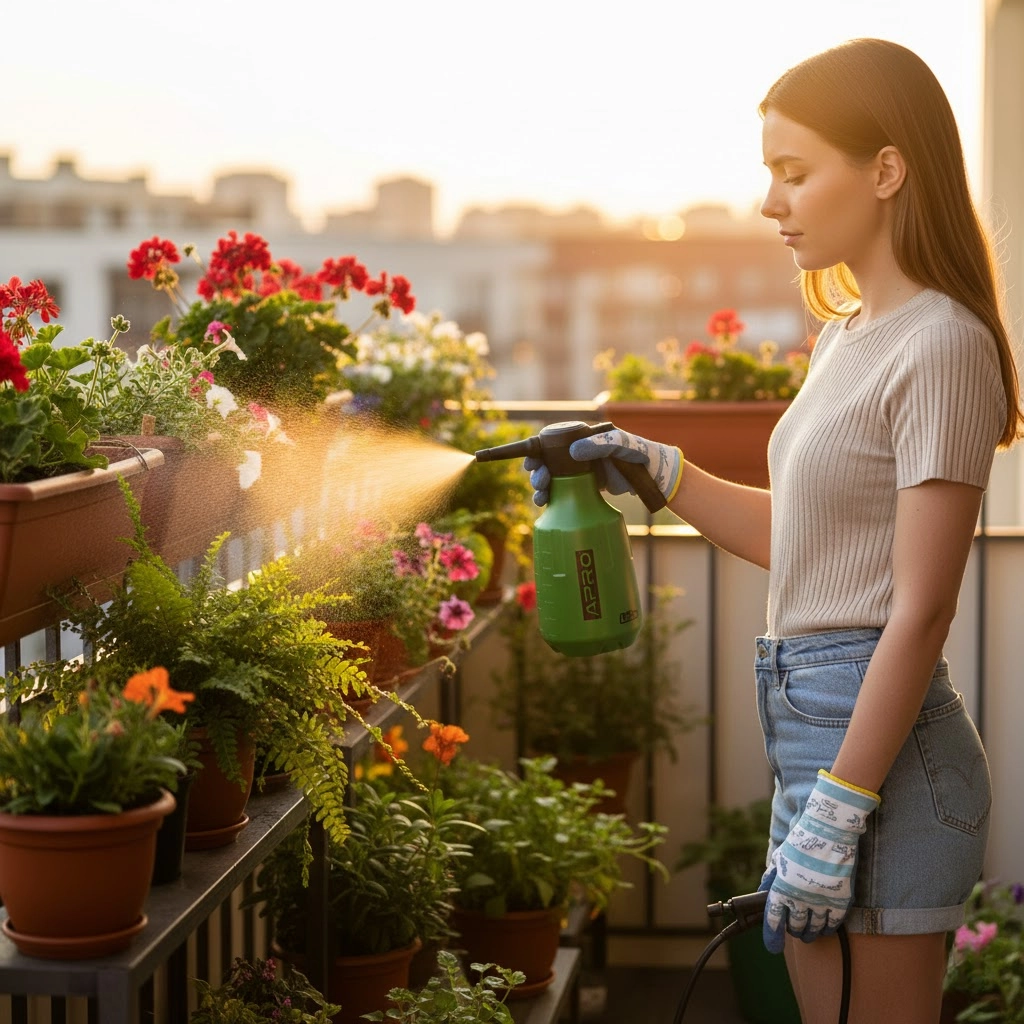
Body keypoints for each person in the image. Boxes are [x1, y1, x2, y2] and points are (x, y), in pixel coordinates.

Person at [525, 38, 1023, 1024]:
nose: (769, 202)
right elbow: (803, 541)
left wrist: (841, 808)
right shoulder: (846, 335)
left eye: (794, 172)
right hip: (820, 739)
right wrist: (658, 468)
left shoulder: (942, 343)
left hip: (877, 757)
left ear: (886, 170)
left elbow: (920, 609)